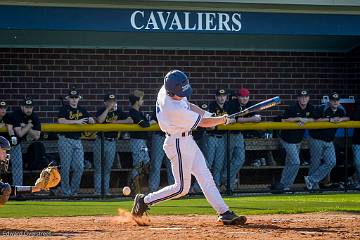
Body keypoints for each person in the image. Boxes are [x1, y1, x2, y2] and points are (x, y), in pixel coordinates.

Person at [131, 70, 247, 225]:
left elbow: (189, 105)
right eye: (180, 92)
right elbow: (203, 123)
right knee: (181, 188)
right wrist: (222, 120)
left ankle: (224, 212)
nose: (183, 94)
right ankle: (144, 201)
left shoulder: (168, 89)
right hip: (177, 143)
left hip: (187, 140)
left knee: (206, 177)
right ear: (171, 92)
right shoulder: (172, 108)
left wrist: (209, 114)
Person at [270, 90, 315, 193]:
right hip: (287, 138)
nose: (303, 99)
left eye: (306, 97)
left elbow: (316, 119)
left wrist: (306, 120)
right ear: (298, 98)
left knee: (290, 163)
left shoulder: (310, 108)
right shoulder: (292, 108)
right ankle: (285, 185)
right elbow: (282, 120)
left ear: (308, 98)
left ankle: (283, 185)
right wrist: (298, 118)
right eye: (301, 97)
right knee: (295, 162)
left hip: (298, 139)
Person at [304, 92, 349, 191]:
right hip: (316, 138)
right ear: (329, 101)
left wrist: (342, 119)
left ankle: (311, 180)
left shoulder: (341, 109)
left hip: (329, 140)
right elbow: (313, 119)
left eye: (337, 100)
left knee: (332, 162)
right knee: (315, 162)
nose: (335, 102)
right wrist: (329, 119)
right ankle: (313, 187)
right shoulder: (322, 108)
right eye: (333, 100)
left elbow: (349, 117)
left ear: (339, 101)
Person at [93, 93, 133, 195]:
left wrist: (117, 122)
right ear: (105, 102)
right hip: (100, 141)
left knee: (107, 168)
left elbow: (130, 120)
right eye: (110, 101)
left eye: (113, 101)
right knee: (99, 168)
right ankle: (98, 192)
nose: (112, 103)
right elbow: (100, 120)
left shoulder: (118, 111)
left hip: (112, 142)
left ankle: (105, 191)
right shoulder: (102, 110)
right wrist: (108, 109)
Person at [57, 89, 95, 196]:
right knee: (65, 167)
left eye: (76, 98)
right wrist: (76, 122)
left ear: (79, 98)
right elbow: (60, 121)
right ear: (68, 98)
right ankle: (66, 191)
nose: (74, 100)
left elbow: (90, 119)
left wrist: (91, 119)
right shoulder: (64, 109)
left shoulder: (82, 110)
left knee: (79, 166)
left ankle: (74, 191)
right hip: (65, 140)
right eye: (72, 98)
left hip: (77, 141)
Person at [225, 88, 261, 191]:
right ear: (238, 97)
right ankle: (227, 185)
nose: (244, 99)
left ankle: (226, 179)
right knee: (226, 160)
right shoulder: (232, 104)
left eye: (246, 96)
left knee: (240, 159)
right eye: (242, 96)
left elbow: (256, 117)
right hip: (228, 134)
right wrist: (251, 119)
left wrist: (257, 117)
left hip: (239, 135)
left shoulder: (250, 104)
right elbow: (234, 119)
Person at [128, 90, 157, 193]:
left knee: (146, 163)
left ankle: (136, 184)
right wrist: (152, 123)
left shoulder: (139, 112)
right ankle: (134, 187)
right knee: (138, 164)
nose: (143, 101)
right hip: (137, 141)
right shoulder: (133, 112)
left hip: (142, 142)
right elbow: (143, 124)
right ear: (136, 101)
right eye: (141, 99)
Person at [206, 89, 234, 189]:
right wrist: (223, 121)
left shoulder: (229, 106)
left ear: (226, 97)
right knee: (208, 164)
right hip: (211, 137)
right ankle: (203, 187)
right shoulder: (212, 106)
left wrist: (220, 122)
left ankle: (216, 187)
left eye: (224, 95)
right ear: (216, 97)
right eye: (219, 95)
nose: (222, 97)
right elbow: (210, 124)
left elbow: (233, 119)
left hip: (222, 138)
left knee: (218, 165)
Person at [11, 98, 41, 185]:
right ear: (22, 107)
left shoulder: (34, 116)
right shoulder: (16, 114)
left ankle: (17, 189)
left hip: (15, 144)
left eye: (30, 107)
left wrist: (26, 126)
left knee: (18, 165)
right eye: (26, 107)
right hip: (5, 142)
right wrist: (30, 126)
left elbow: (37, 136)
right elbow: (20, 133)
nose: (29, 109)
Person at [148, 108, 174, 193]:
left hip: (171, 137)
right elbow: (153, 120)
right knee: (156, 164)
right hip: (159, 137)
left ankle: (174, 189)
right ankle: (153, 189)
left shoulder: (174, 106)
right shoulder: (158, 107)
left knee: (172, 164)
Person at [351, 101, 360, 190]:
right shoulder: (358, 104)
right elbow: (354, 117)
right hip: (358, 141)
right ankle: (356, 181)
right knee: (358, 163)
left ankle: (355, 180)